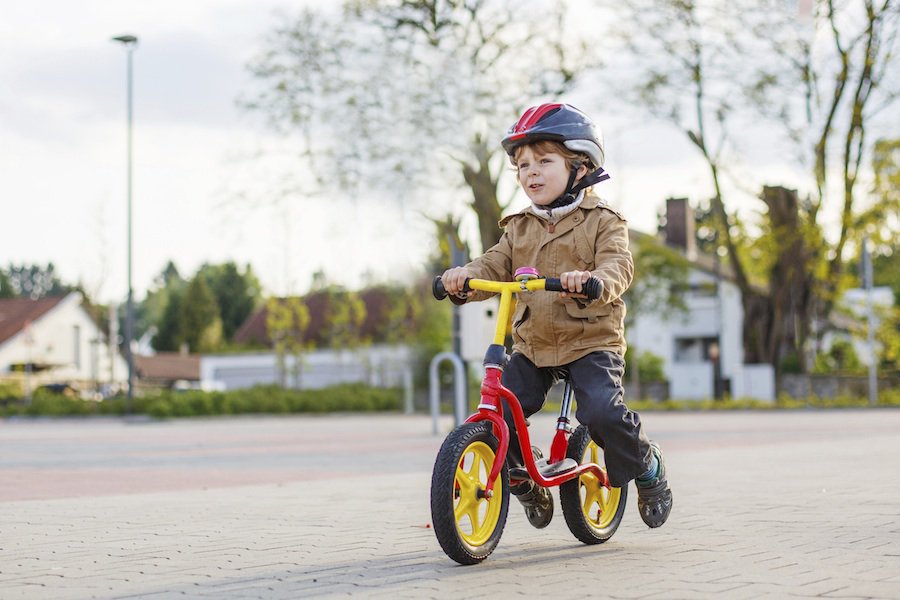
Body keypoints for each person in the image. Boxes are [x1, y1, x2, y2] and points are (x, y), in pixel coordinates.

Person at [441, 103, 672, 529]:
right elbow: (493, 265)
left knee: (601, 413)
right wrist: (463, 278)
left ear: (580, 167)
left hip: (591, 341)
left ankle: (647, 465)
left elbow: (618, 265)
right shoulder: (519, 226)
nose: (531, 172)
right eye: (522, 165)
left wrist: (594, 281)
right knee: (501, 411)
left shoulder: (603, 220)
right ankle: (523, 480)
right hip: (534, 344)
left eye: (544, 161)